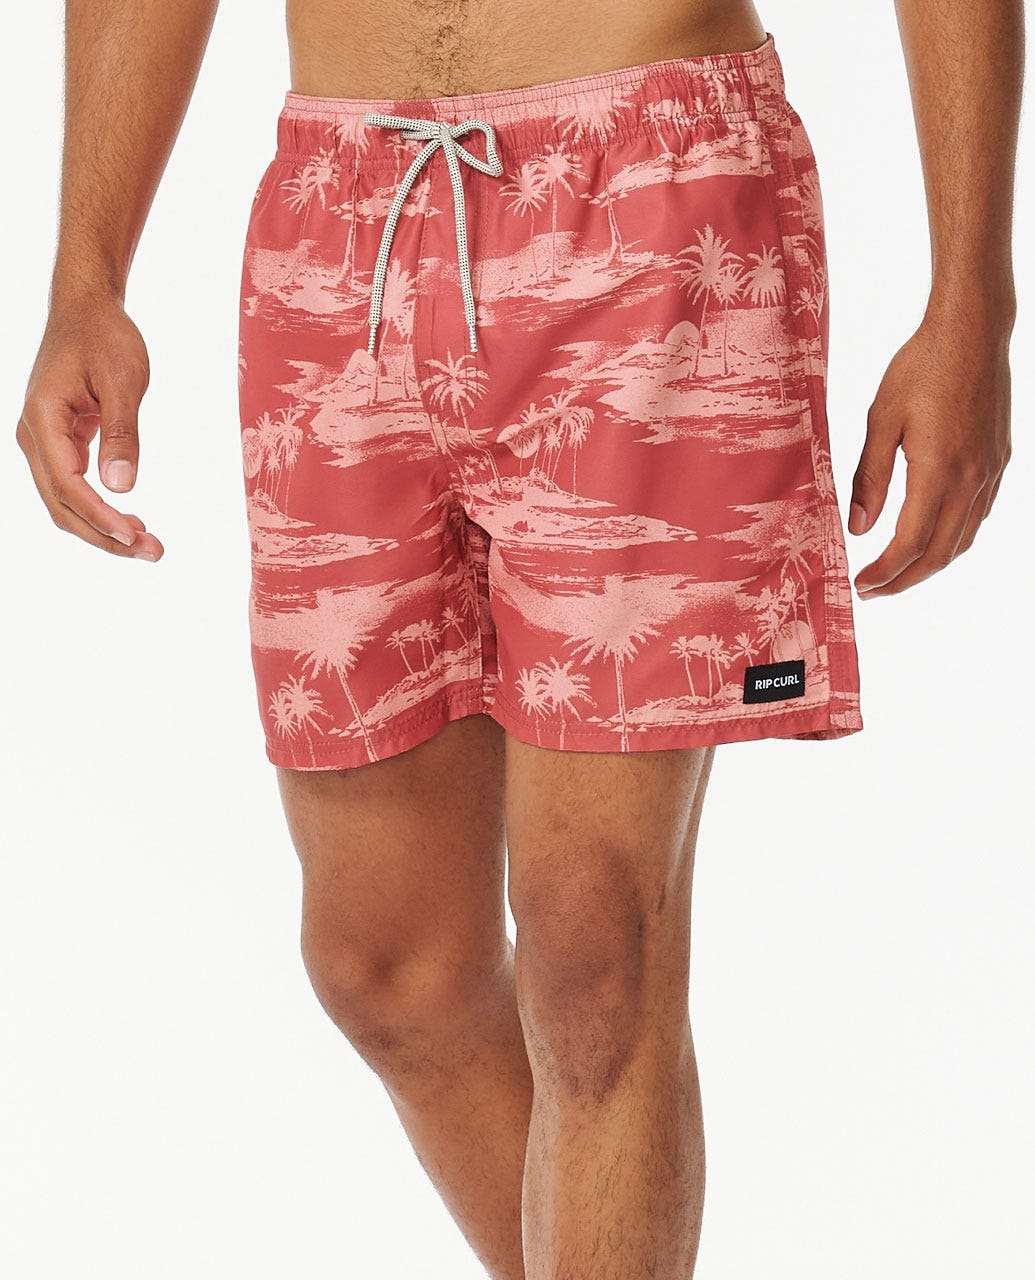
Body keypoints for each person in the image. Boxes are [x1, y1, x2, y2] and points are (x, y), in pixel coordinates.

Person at [15, 1, 1019, 1276]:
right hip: (340, 215)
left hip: (650, 195)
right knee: (386, 959)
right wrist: (87, 269)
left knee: (593, 941)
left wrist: (973, 298)